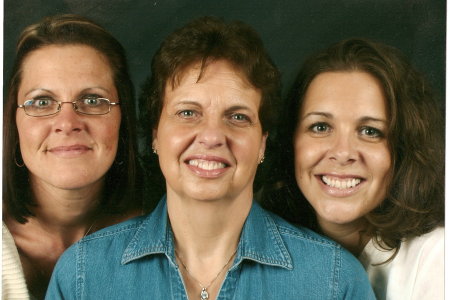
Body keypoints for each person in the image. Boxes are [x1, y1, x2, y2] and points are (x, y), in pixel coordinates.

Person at [46, 17, 375, 299]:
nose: (212, 135)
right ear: (156, 134)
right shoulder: (83, 275)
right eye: (188, 112)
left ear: (262, 144)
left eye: (238, 117)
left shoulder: (334, 281)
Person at [260, 38, 444, 300]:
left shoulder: (436, 259)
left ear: (403, 149)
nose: (343, 152)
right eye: (320, 127)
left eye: (370, 131)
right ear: (292, 141)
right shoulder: (260, 244)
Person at [3, 14, 143, 299]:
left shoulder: (170, 234)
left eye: (92, 100)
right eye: (42, 101)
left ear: (123, 117)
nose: (67, 122)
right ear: (14, 122)